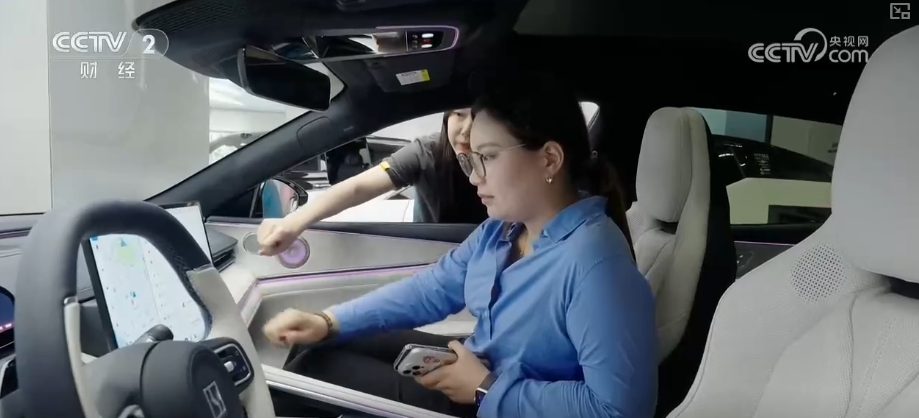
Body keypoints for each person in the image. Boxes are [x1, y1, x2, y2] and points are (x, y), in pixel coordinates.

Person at [263, 71, 656, 418]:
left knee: (312, 368)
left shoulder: (596, 266)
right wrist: (328, 321)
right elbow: (431, 289)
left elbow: (620, 409)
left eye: (488, 157)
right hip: (481, 372)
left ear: (550, 159)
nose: (473, 177)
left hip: (494, 403)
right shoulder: (502, 231)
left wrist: (486, 388)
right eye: (471, 160)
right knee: (321, 341)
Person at [257, 109, 489, 256]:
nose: (466, 130)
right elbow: (359, 187)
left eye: (478, 117)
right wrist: (293, 223)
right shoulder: (427, 152)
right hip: (433, 255)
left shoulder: (506, 161)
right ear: (446, 117)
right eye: (459, 114)